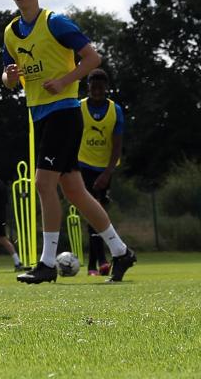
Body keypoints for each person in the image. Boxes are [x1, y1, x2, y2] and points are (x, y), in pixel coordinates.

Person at [0, 0, 136, 283]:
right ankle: (121, 252)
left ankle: (47, 263)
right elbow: (8, 79)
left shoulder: (55, 23)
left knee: (42, 183)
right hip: (39, 116)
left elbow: (92, 58)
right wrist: (10, 77)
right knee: (75, 192)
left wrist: (64, 81)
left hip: (64, 113)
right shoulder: (10, 32)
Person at [79, 68, 124, 276]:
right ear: (88, 87)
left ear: (106, 88)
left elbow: (117, 146)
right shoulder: (79, 107)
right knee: (91, 213)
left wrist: (107, 173)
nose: (97, 91)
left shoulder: (116, 110)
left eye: (100, 87)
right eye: (93, 87)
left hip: (105, 168)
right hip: (83, 165)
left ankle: (93, 265)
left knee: (101, 214)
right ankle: (101, 262)